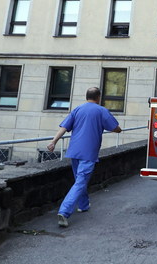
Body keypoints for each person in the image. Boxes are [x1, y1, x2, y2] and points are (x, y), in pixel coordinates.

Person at [47, 87, 122, 227]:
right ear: (98, 97)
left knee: (79, 180)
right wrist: (118, 129)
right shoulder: (101, 110)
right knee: (81, 181)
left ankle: (84, 205)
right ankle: (64, 211)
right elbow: (115, 128)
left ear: (86, 96)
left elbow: (64, 127)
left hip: (74, 151)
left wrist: (53, 142)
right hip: (88, 152)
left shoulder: (78, 109)